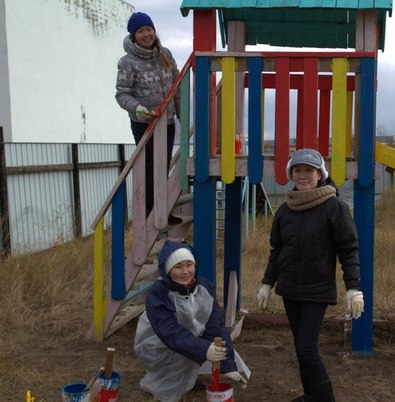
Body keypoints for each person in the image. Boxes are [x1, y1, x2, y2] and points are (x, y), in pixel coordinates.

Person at [257, 148, 365, 402]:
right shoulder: (285, 210)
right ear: (291, 174)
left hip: (316, 291)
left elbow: (348, 248)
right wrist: (267, 283)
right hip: (289, 290)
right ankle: (310, 395)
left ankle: (323, 399)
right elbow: (277, 251)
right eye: (298, 170)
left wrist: (354, 286)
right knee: (301, 347)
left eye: (309, 170)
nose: (303, 175)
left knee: (306, 348)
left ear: (320, 174)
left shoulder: (334, 207)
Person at [134, 240, 249, 402]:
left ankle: (189, 379)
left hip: (189, 339)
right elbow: (171, 334)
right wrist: (203, 349)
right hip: (158, 344)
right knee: (182, 359)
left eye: (189, 264)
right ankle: (160, 388)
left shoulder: (204, 288)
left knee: (207, 348)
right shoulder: (158, 295)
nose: (186, 271)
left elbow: (215, 327)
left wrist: (228, 365)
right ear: (167, 270)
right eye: (178, 267)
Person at [115, 12, 182, 225]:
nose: (146, 34)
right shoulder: (128, 62)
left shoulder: (166, 54)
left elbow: (177, 86)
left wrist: (181, 114)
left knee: (162, 167)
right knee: (149, 169)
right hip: (144, 123)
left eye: (149, 29)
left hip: (167, 122)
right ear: (134, 36)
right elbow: (122, 94)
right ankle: (148, 215)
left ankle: (162, 212)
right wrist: (137, 108)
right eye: (141, 31)